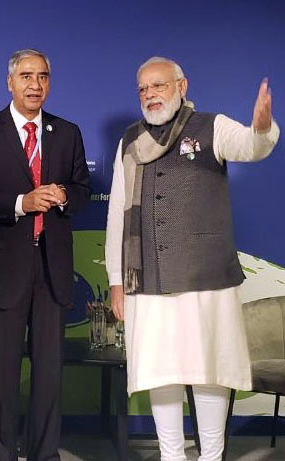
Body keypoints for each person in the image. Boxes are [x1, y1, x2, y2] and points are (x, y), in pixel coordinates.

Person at [105, 56, 279, 461]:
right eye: (143, 88)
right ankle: (172, 455)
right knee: (160, 369)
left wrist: (263, 128)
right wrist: (116, 279)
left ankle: (211, 455)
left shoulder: (211, 126)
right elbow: (117, 212)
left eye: (159, 85)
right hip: (146, 276)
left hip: (206, 276)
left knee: (208, 368)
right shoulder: (129, 140)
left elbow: (250, 146)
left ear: (181, 87)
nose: (150, 94)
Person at [0, 49, 90, 460]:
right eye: (26, 76)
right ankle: (3, 454)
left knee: (49, 375)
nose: (35, 84)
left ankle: (44, 454)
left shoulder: (67, 132)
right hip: (2, 270)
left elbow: (83, 190)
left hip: (52, 270)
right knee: (3, 374)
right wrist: (20, 203)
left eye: (43, 76)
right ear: (10, 82)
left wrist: (64, 194)